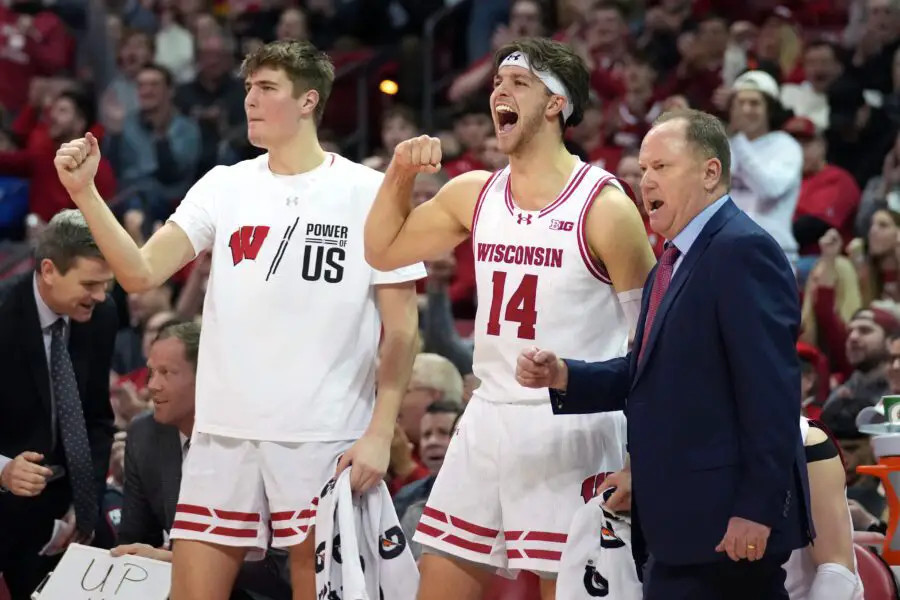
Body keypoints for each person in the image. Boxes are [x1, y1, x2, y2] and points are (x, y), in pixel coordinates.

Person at [53, 39, 424, 600]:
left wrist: (379, 432)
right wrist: (85, 194)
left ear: (308, 101)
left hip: (321, 432)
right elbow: (141, 272)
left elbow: (402, 329)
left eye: (267, 88)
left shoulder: (370, 191)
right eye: (248, 87)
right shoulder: (225, 184)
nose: (250, 98)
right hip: (223, 432)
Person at [364, 37, 656, 600]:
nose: (500, 90)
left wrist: (639, 460)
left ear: (555, 103)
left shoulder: (605, 207)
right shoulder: (474, 193)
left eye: (517, 82)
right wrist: (399, 172)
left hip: (573, 426)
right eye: (497, 82)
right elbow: (383, 251)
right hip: (487, 416)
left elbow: (651, 347)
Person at [514, 108, 813, 599]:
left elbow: (771, 395)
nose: (643, 179)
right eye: (642, 167)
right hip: (681, 527)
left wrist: (756, 509)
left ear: (711, 173)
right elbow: (652, 373)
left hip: (727, 528)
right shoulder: (672, 260)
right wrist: (566, 375)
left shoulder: (741, 252)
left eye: (660, 167)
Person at [112, 321, 291, 600]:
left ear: (206, 378)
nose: (152, 386)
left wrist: (180, 563)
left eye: (167, 373)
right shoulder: (144, 435)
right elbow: (135, 541)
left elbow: (283, 566)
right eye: (151, 372)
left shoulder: (259, 441)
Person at [0, 210, 118, 600]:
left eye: (106, 284)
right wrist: (2, 471)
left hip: (73, 513)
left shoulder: (101, 315)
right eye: (89, 284)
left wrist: (84, 507)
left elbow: (98, 420)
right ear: (48, 270)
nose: (100, 296)